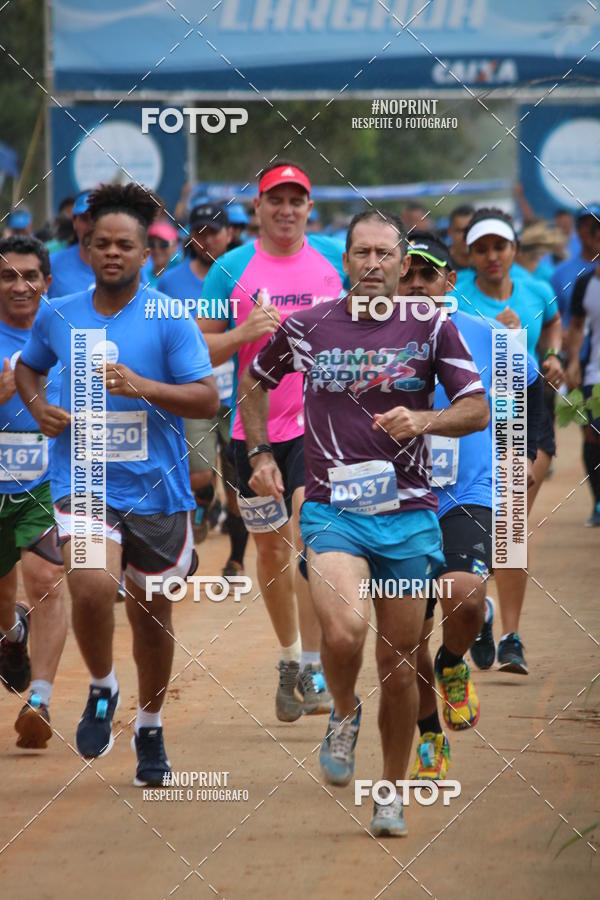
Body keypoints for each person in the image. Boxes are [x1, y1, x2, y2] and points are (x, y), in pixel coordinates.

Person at [239, 210, 489, 836]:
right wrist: (262, 452)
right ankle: (344, 713)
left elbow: (477, 407)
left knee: (401, 662)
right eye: (361, 253)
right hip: (332, 512)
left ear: (404, 265)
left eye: (384, 255)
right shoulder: (307, 326)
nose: (372, 265)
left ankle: (391, 792)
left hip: (408, 518)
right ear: (344, 260)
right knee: (345, 633)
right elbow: (254, 382)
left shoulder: (433, 326)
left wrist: (424, 421)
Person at [15, 183, 219, 785]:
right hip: (83, 480)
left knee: (155, 617)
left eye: (125, 245)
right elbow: (29, 366)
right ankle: (102, 686)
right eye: (101, 242)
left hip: (158, 489)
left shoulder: (168, 316)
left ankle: (150, 726)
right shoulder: (60, 312)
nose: (112, 253)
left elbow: (207, 398)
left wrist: (144, 387)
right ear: (86, 244)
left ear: (145, 252)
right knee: (91, 583)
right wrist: (37, 407)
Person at [200, 161, 344, 721]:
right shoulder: (229, 269)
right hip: (250, 431)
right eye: (274, 200)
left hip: (320, 427)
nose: (286, 210)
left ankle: (312, 667)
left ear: (310, 207)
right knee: (269, 549)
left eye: (296, 200)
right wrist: (243, 334)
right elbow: (198, 350)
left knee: (309, 536)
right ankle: (288, 662)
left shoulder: (335, 258)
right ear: (256, 208)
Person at [397, 232, 542, 780]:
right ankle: (430, 733)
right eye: (405, 275)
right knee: (406, 631)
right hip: (397, 498)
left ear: (448, 282)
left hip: (468, 489)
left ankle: (453, 662)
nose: (415, 285)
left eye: (426, 275)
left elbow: (526, 388)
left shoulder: (485, 334)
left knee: (464, 597)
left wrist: (521, 456)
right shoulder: (368, 342)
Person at [456, 208, 563, 673]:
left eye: (500, 247)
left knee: (510, 532)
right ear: (470, 254)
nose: (492, 256)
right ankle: (480, 609)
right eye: (482, 249)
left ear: (514, 249)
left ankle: (511, 638)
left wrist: (552, 354)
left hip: (523, 422)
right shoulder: (455, 295)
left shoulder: (537, 290)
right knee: (486, 534)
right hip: (471, 430)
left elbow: (554, 326)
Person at [0, 235, 67, 749]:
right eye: (7, 276)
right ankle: (12, 634)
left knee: (45, 576)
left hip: (47, 483)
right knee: (4, 601)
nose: (19, 286)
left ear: (48, 281)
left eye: (30, 276)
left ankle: (40, 699)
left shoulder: (69, 333)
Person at [158, 202, 247, 574]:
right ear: (190, 236)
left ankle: (237, 559)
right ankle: (205, 502)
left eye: (214, 231)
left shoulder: (244, 272)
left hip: (240, 390)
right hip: (194, 389)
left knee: (240, 481)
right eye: (200, 232)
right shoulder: (170, 282)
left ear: (229, 234)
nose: (207, 239)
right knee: (198, 474)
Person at [565, 255, 600, 526]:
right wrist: (574, 361)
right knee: (592, 436)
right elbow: (576, 326)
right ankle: (598, 502)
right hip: (594, 376)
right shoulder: (586, 283)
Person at [551, 206, 600, 327]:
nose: (591, 230)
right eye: (586, 225)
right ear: (577, 231)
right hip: (573, 344)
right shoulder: (561, 272)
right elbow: (551, 319)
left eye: (595, 225)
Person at [48, 191, 95, 298]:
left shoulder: (128, 266)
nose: (91, 226)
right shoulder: (51, 265)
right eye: (84, 219)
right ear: (74, 222)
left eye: (96, 218)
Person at [142, 220, 181, 288]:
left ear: (175, 246)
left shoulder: (182, 275)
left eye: (163, 244)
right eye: (151, 244)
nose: (157, 249)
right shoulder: (140, 278)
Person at [446, 204, 474, 271]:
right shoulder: (440, 262)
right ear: (449, 232)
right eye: (459, 231)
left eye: (469, 229)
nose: (465, 236)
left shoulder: (487, 260)